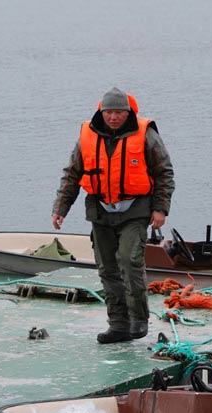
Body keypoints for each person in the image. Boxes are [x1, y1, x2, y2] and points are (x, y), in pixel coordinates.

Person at [51, 87, 175, 344]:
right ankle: (118, 324)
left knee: (129, 262)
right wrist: (60, 209)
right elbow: (72, 173)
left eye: (118, 112)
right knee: (107, 268)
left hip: (135, 209)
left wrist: (160, 209)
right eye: (108, 112)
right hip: (101, 210)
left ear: (127, 112)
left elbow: (164, 172)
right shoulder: (87, 135)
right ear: (101, 112)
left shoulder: (146, 135)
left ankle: (139, 320)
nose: (113, 117)